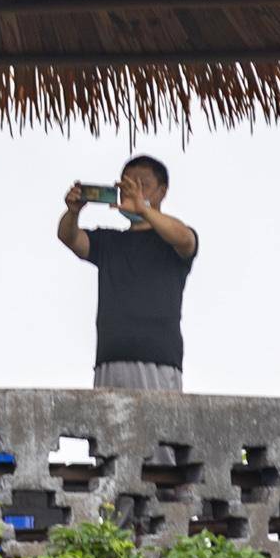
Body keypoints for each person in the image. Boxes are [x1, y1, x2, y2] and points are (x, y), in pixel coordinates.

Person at [57, 154, 196, 390]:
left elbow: (185, 238)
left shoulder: (172, 239)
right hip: (110, 360)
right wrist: (73, 211)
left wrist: (143, 209)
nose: (132, 192)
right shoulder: (110, 241)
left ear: (162, 192)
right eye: (127, 185)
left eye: (142, 186)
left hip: (159, 362)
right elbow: (69, 237)